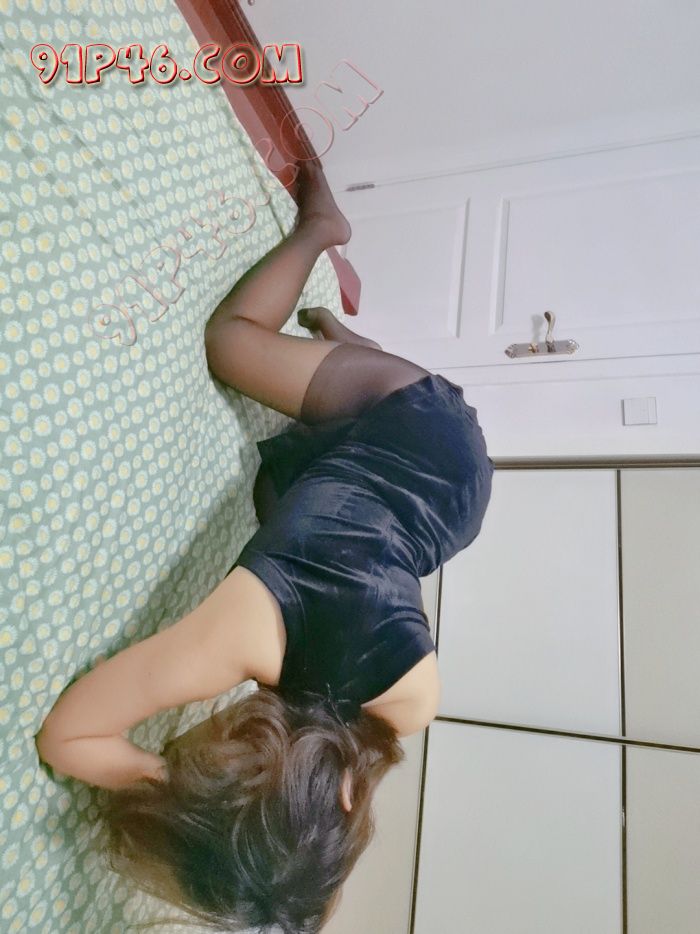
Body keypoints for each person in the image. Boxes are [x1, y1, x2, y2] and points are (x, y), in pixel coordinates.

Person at [59, 158, 494, 934]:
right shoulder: (235, 637)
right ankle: (322, 230)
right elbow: (70, 738)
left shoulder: (412, 706)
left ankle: (345, 353)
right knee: (231, 342)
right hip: (416, 424)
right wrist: (169, 791)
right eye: (195, 769)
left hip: (455, 504)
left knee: (282, 492)